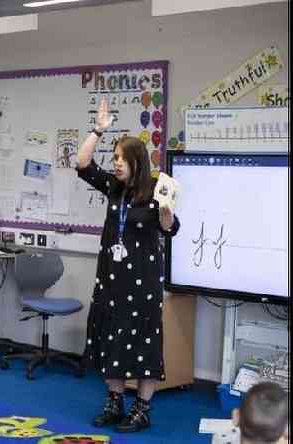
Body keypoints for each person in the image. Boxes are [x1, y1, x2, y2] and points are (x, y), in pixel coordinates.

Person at [76, 98, 180, 433]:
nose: (116, 164)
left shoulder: (155, 192)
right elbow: (82, 164)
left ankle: (142, 408)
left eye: (121, 159)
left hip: (143, 285)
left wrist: (165, 217)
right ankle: (114, 401)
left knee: (144, 345)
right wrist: (97, 130)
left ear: (137, 161)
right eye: (115, 158)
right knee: (112, 340)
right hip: (111, 281)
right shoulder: (115, 189)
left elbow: (171, 229)